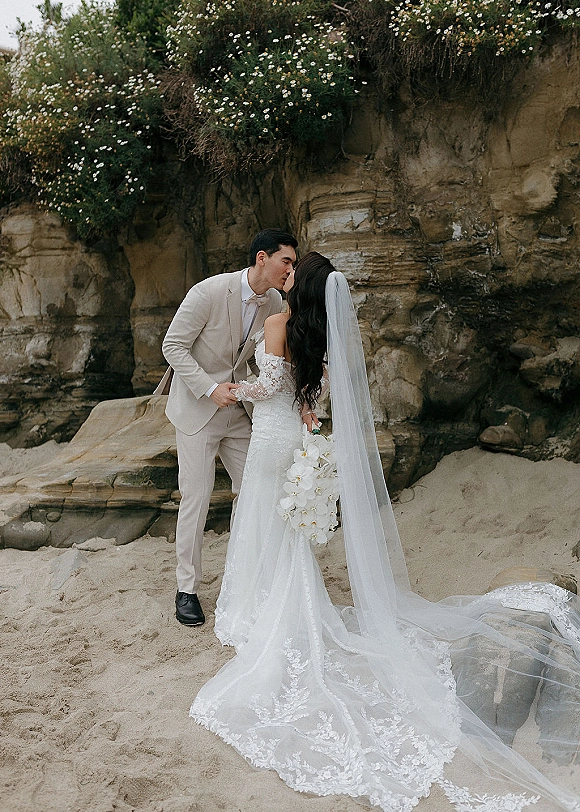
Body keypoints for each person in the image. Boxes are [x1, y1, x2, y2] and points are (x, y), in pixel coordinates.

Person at [191, 253, 580, 811]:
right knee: (284, 530)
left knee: (263, 522)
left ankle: (261, 605)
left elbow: (270, 386)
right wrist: (300, 413)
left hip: (271, 442)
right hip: (293, 439)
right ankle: (282, 599)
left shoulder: (278, 324)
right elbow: (308, 397)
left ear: (302, 285)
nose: (289, 275)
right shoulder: (315, 335)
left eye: (296, 272)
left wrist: (231, 390)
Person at [160, 228, 298, 626]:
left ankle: (247, 579)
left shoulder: (274, 300)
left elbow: (264, 359)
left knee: (256, 489)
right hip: (196, 410)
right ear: (261, 258)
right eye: (285, 261)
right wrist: (208, 387)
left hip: (241, 413)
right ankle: (186, 590)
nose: (290, 270)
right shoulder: (208, 291)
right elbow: (173, 345)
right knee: (196, 497)